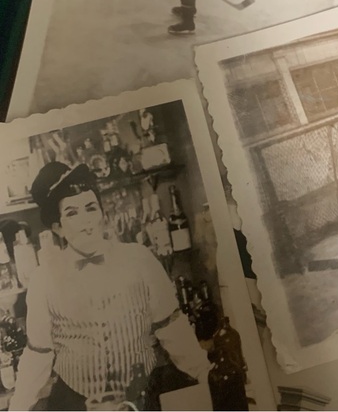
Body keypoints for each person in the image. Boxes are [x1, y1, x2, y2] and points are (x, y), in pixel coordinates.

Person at [10, 162, 211, 411]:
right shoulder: (44, 279)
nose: (86, 222)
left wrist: (205, 374)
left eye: (91, 208)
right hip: (77, 403)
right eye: (72, 213)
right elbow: (38, 354)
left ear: (102, 214)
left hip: (143, 396)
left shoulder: (140, 259)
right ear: (57, 228)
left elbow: (172, 328)